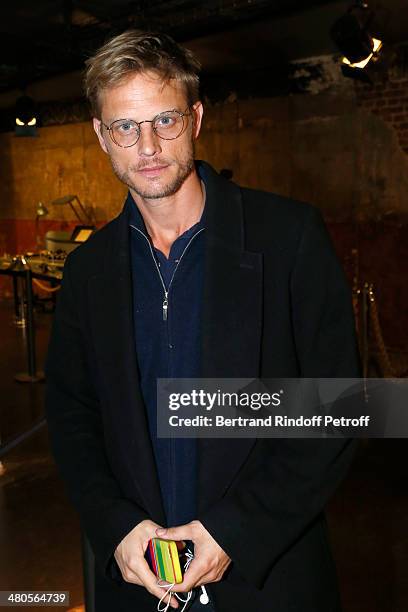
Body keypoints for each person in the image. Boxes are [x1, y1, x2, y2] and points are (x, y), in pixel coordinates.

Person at [45, 30, 360, 612]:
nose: (148, 146)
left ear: (194, 118)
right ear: (101, 137)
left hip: (266, 577)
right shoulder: (87, 270)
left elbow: (340, 407)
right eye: (126, 127)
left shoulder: (289, 238)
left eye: (164, 120)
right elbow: (72, 416)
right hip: (137, 580)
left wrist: (235, 531)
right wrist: (116, 527)